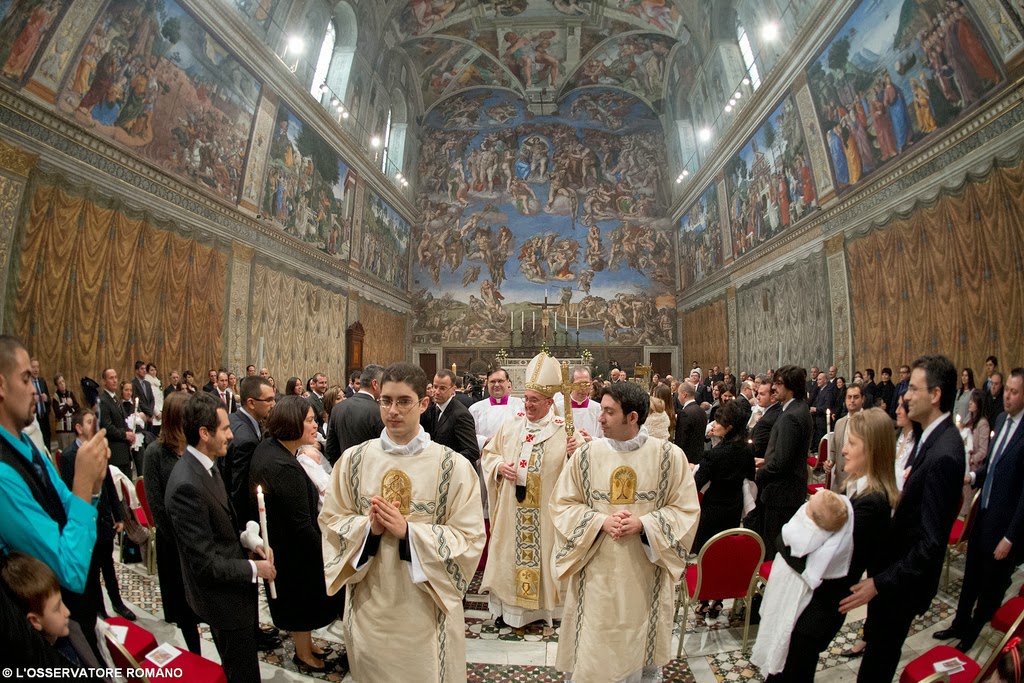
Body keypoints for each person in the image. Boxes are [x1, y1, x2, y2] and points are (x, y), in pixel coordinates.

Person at [319, 362, 485, 682]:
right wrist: (369, 530)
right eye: (386, 401)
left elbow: (470, 538)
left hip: (425, 612)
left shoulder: (453, 467)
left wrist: (409, 533)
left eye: (404, 401)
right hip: (369, 608)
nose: (393, 411)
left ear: (423, 404)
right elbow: (330, 522)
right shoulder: (353, 461)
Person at [551, 381, 700, 683]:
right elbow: (562, 504)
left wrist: (645, 525)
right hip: (595, 573)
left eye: (609, 412)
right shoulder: (585, 455)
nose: (600, 418)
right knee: (594, 645)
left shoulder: (669, 457)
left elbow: (685, 510)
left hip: (644, 572)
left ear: (632, 417)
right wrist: (599, 522)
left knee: (637, 644)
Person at [840, 355, 965, 683]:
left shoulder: (945, 454)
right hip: (893, 571)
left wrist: (880, 582)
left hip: (901, 584)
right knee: (877, 652)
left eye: (913, 388)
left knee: (879, 661)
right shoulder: (931, 436)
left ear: (935, 395)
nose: (905, 395)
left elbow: (930, 542)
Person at [0, 336, 109, 651]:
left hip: (78, 614)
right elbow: (69, 570)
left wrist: (93, 486)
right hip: (48, 635)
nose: (35, 391)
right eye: (25, 379)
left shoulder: (27, 443)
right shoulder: (3, 476)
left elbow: (66, 504)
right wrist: (83, 482)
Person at [768, 408, 897, 673]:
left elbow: (821, 557)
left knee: (794, 671)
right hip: (814, 601)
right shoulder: (856, 490)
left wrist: (784, 541)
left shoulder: (872, 504)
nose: (844, 451)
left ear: (872, 450)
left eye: (852, 443)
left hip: (820, 608)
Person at [165, 392, 277, 683]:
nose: (231, 435)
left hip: (234, 591)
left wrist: (248, 541)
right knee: (242, 673)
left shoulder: (207, 465)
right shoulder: (187, 485)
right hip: (223, 601)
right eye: (225, 429)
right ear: (204, 433)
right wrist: (255, 568)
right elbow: (204, 564)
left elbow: (218, 527)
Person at [249, 396, 340, 673]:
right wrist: (327, 553)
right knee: (303, 603)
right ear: (292, 423)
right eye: (310, 420)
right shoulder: (282, 467)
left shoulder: (273, 448)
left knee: (303, 602)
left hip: (285, 543)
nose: (316, 425)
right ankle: (303, 654)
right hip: (293, 551)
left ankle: (307, 645)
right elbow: (300, 524)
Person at [937, 368, 1024, 652]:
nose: (1007, 396)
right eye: (1006, 390)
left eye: (1014, 392)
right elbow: (993, 466)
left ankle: (971, 635)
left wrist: (1010, 538)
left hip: (1004, 526)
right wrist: (972, 476)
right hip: (983, 516)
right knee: (971, 577)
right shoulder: (1001, 420)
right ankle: (959, 623)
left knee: (990, 586)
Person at [480, 352, 568, 629]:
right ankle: (508, 611)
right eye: (526, 398)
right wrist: (498, 467)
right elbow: (490, 454)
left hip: (545, 515)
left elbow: (578, 472)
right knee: (508, 557)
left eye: (534, 400)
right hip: (511, 510)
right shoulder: (512, 425)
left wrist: (577, 450)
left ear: (549, 403)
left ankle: (542, 611)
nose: (528, 405)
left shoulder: (564, 431)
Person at [752, 489, 853, 677]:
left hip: (793, 589)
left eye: (811, 502)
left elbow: (787, 537)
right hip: (788, 578)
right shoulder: (829, 517)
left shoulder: (810, 535)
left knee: (780, 633)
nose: (811, 497)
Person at [58, 410, 134, 622]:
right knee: (92, 571)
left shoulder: (98, 450)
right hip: (87, 520)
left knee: (108, 565)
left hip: (104, 519)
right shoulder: (69, 456)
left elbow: (109, 484)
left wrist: (119, 516)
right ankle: (100, 609)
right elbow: (71, 492)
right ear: (79, 428)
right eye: (89, 422)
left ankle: (118, 603)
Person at [142, 392, 201, 654]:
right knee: (185, 610)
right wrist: (181, 541)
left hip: (199, 539)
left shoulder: (195, 446)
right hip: (174, 544)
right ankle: (196, 656)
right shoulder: (155, 453)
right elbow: (156, 505)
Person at [692, 399, 755, 618]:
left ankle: (704, 599)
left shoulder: (714, 455)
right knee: (725, 553)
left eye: (718, 422)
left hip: (712, 509)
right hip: (734, 507)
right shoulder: (747, 450)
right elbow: (750, 476)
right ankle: (718, 600)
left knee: (707, 554)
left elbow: (697, 483)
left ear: (728, 427)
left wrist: (695, 469)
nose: (714, 424)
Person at [1, 552, 106, 673]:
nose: (67, 612)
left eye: (62, 602)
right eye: (57, 608)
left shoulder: (73, 629)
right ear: (35, 621)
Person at [756, 365, 813, 559]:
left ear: (791, 387)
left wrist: (760, 473)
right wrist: (766, 460)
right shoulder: (797, 409)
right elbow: (787, 453)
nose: (774, 388)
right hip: (789, 488)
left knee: (775, 548)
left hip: (782, 492)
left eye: (779, 383)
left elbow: (781, 462)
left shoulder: (791, 417)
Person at [223, 376, 277, 532]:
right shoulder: (247, 441)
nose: (273, 404)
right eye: (268, 400)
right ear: (251, 403)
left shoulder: (233, 418)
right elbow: (239, 490)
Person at [324, 364, 384, 465]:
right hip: (370, 468)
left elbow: (330, 448)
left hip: (344, 467)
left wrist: (341, 468)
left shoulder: (337, 408)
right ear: (375, 384)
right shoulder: (379, 410)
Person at [421, 369, 480, 465]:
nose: (437, 392)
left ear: (453, 389)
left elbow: (472, 452)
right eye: (435, 387)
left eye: (442, 388)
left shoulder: (461, 415)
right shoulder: (431, 409)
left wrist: (445, 462)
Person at [468, 367, 525, 451]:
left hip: (514, 453)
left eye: (500, 381)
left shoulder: (521, 405)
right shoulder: (475, 409)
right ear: (487, 384)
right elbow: (469, 435)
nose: (496, 385)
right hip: (486, 454)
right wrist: (486, 440)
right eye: (492, 382)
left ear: (508, 383)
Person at [826, 382, 865, 492]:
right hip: (839, 482)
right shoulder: (839, 423)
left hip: (859, 482)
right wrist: (830, 461)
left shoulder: (869, 423)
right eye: (849, 397)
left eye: (856, 397)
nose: (852, 400)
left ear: (863, 399)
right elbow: (833, 450)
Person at [97, 368, 135, 475]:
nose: (114, 380)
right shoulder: (103, 401)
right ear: (104, 381)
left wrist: (130, 434)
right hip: (115, 453)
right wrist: (125, 434)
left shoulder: (116, 399)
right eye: (111, 378)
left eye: (115, 377)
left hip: (124, 452)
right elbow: (107, 427)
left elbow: (123, 420)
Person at [675, 380, 707, 463]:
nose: (678, 397)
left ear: (684, 394)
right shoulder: (701, 411)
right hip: (699, 456)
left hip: (687, 458)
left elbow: (681, 439)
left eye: (678, 394)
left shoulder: (684, 413)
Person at [51, 374, 79, 451]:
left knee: (74, 451)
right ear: (57, 386)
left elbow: (78, 409)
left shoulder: (70, 394)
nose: (62, 384)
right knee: (64, 451)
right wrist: (67, 405)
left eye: (63, 381)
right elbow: (58, 414)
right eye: (60, 383)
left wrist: (71, 405)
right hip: (62, 430)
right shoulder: (56, 397)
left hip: (72, 429)